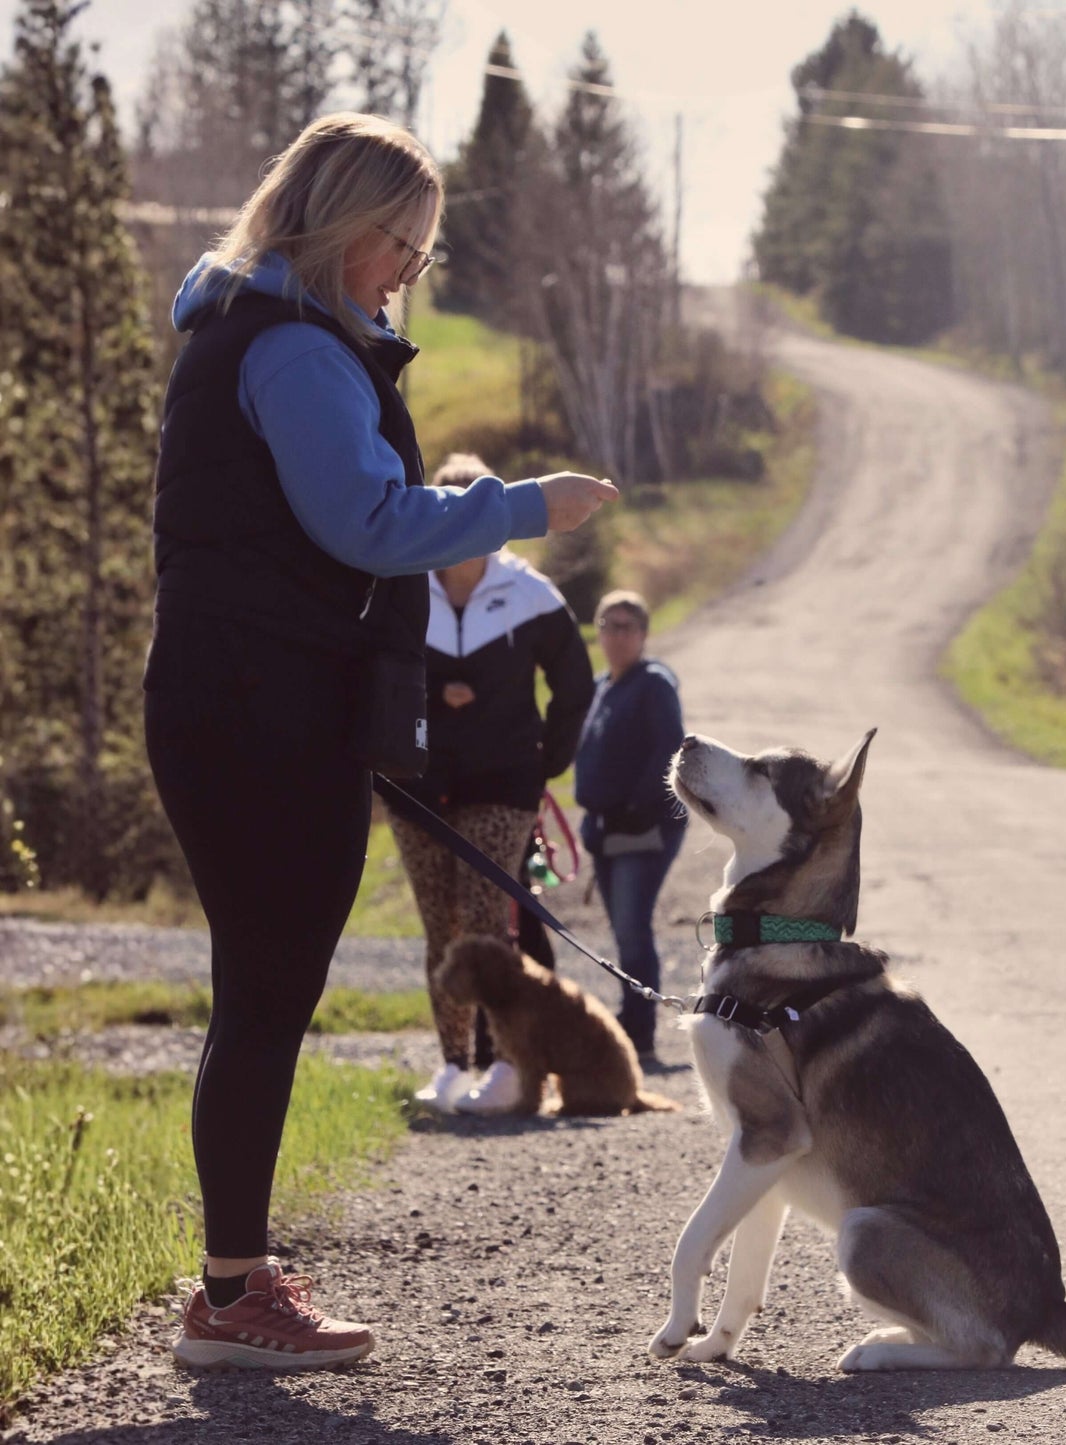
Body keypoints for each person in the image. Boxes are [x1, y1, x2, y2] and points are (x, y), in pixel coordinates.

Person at [143, 112, 617, 1373]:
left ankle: (233, 1280)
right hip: (255, 704)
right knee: (266, 990)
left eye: (418, 248)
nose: (406, 268)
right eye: (394, 242)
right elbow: (363, 520)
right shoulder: (291, 349)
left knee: (266, 987)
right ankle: (232, 1296)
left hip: (245, 696)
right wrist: (522, 505)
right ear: (336, 222)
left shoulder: (257, 326)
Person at [388, 452, 593, 1116]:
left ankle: (508, 1063)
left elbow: (575, 684)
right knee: (440, 929)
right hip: (418, 786)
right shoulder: (400, 587)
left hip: (503, 785)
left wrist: (546, 764)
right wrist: (424, 694)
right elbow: (366, 672)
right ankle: (453, 1064)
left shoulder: (529, 592)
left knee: (485, 921)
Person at [573, 591, 687, 1061]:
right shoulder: (603, 686)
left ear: (643, 634)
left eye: (627, 627)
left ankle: (640, 1034)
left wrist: (636, 807)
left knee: (632, 925)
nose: (616, 636)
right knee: (623, 930)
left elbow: (669, 749)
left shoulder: (654, 683)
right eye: (608, 625)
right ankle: (630, 1020)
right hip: (606, 828)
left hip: (643, 830)